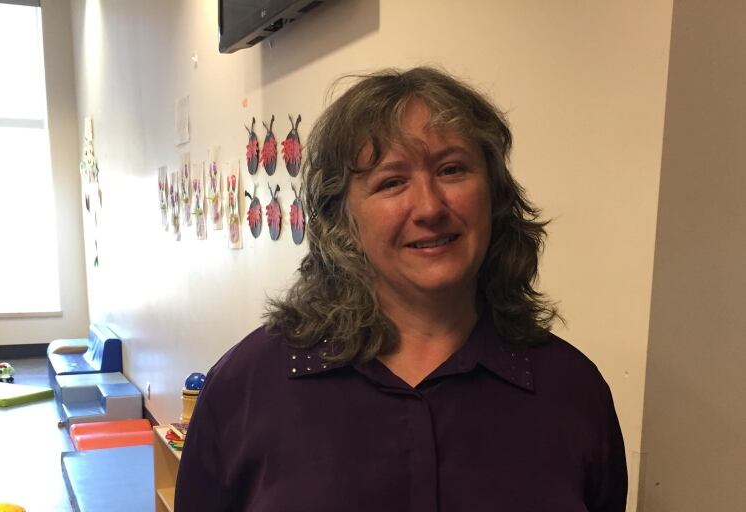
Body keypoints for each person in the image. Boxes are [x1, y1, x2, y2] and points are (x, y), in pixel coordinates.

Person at [175, 67, 627, 511]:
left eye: (452, 170)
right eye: (391, 182)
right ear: (343, 222)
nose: (430, 206)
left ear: (495, 197)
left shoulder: (572, 392)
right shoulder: (247, 389)